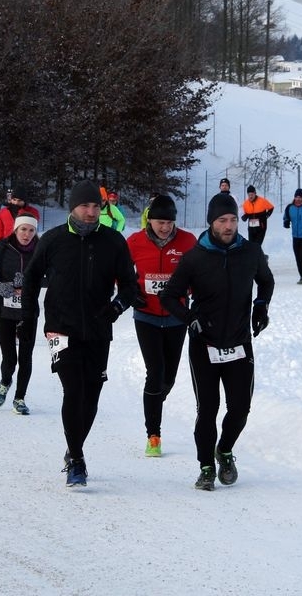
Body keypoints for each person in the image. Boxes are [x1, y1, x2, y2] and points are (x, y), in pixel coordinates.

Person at [19, 180, 140, 487]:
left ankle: (73, 446)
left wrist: (116, 307)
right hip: (60, 328)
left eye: (96, 206)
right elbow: (31, 279)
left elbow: (130, 286)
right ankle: (76, 459)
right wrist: (28, 317)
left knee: (91, 395)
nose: (91, 211)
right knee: (73, 390)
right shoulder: (53, 239)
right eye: (85, 205)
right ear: (73, 207)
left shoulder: (113, 241)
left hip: (99, 329)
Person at [159, 193, 274, 491]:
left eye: (233, 220)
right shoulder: (195, 257)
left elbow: (266, 280)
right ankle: (206, 467)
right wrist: (189, 319)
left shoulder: (250, 252)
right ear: (211, 222)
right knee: (207, 409)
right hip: (204, 344)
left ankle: (224, 450)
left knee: (240, 408)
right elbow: (169, 296)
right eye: (222, 220)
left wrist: (261, 306)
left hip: (239, 343)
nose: (229, 226)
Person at [126, 195, 197, 457]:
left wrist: (188, 291)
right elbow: (119, 271)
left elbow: (199, 273)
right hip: (146, 315)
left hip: (177, 316)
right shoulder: (135, 242)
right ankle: (153, 435)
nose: (165, 228)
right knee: (155, 372)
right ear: (149, 220)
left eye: (169, 222)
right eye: (160, 222)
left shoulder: (188, 241)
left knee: (168, 378)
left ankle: (154, 400)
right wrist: (131, 291)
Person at [0, 214, 39, 415]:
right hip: (4, 310)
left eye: (31, 230)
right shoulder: (2, 247)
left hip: (28, 310)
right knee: (9, 358)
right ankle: (5, 381)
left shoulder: (40, 249)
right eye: (23, 229)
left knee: (26, 357)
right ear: (16, 230)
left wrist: (29, 282)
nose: (27, 234)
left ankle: (20, 399)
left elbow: (54, 276)